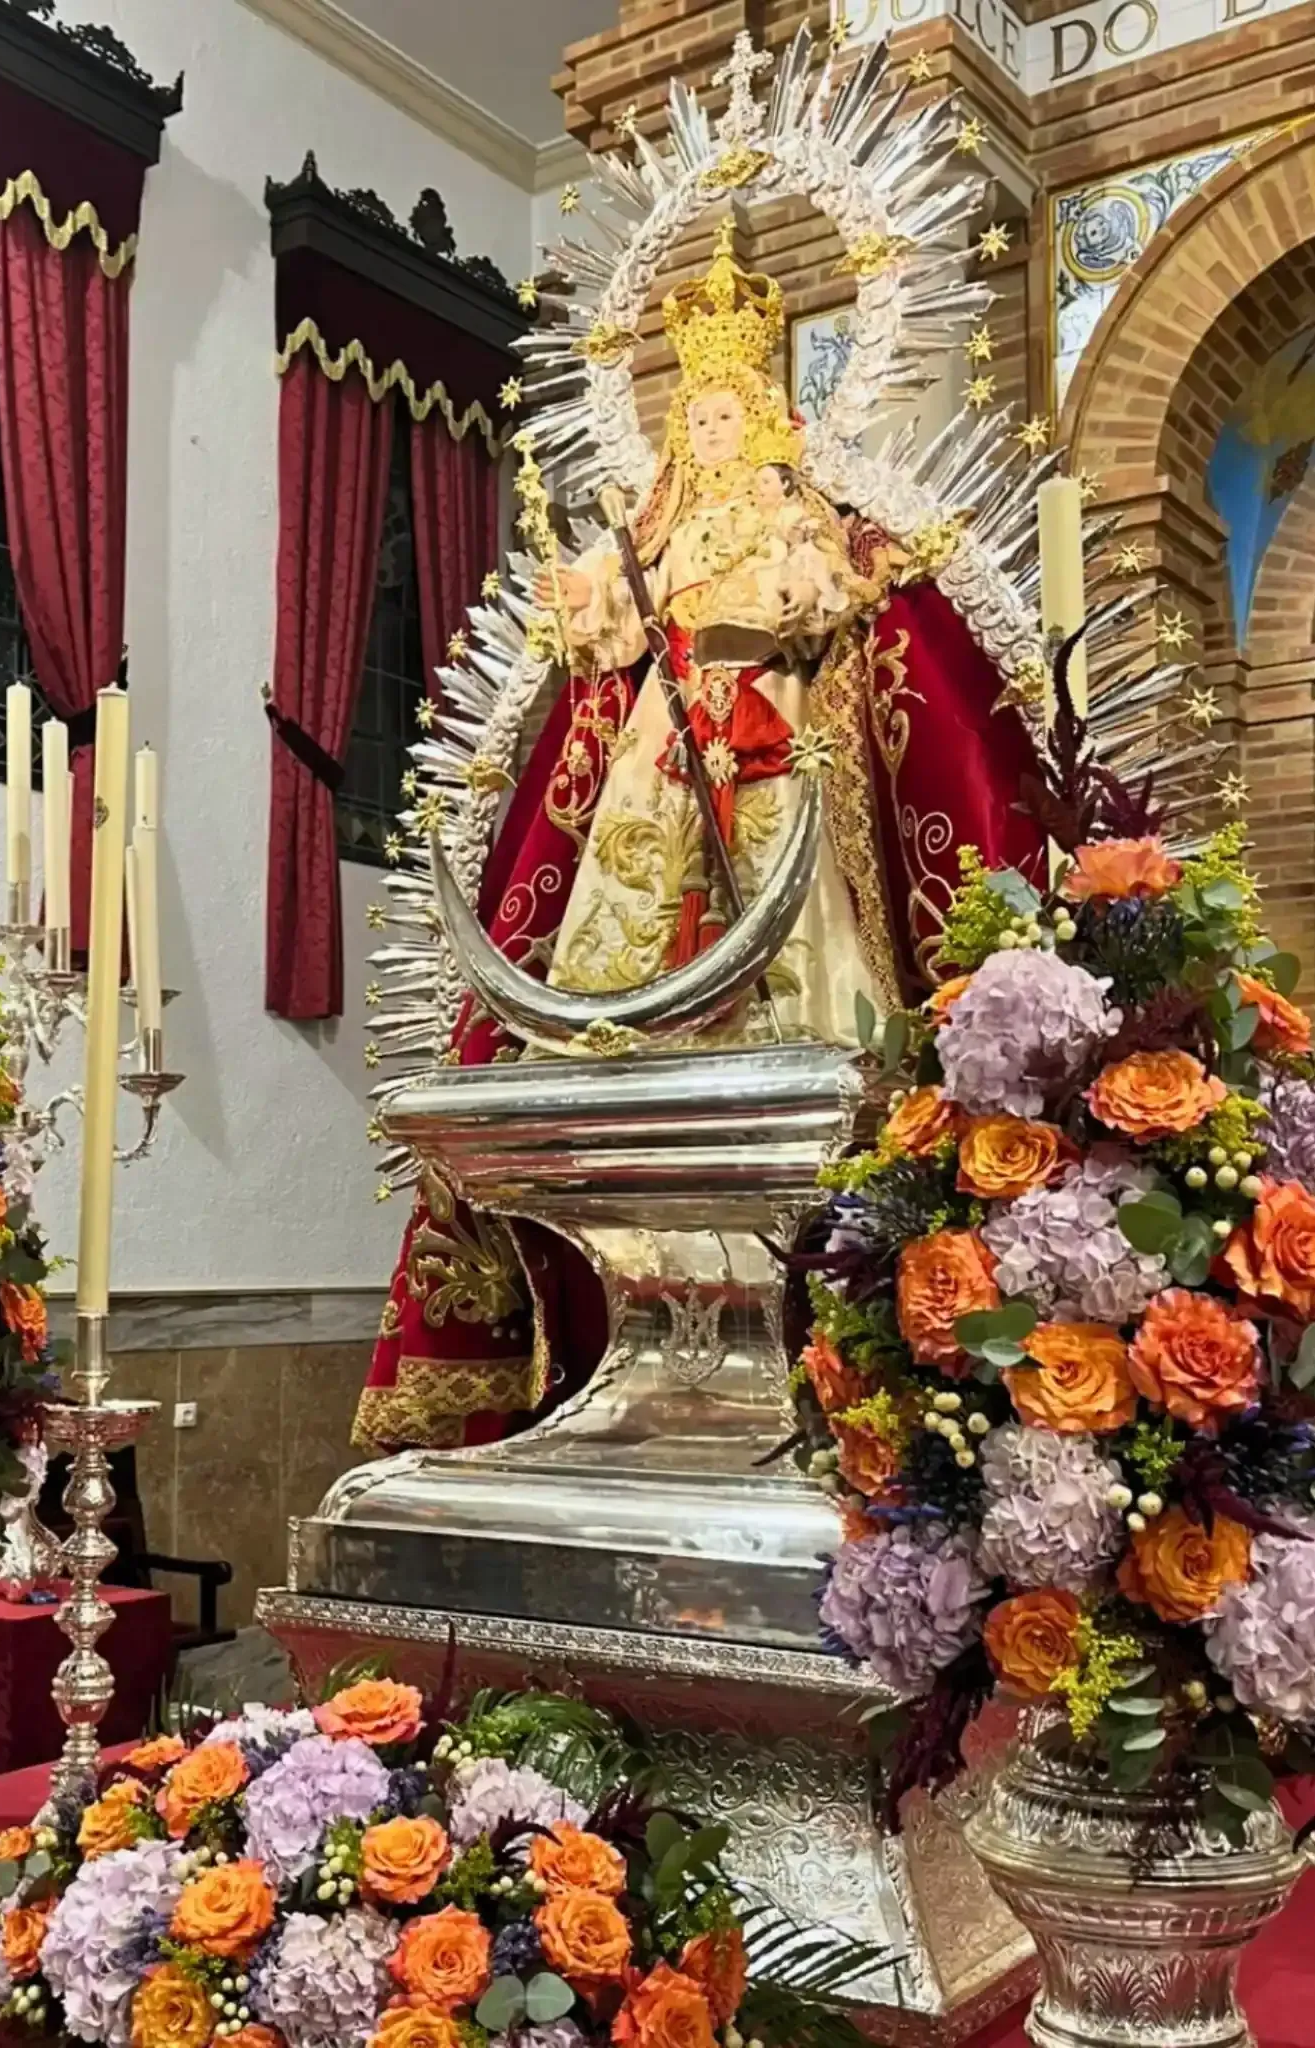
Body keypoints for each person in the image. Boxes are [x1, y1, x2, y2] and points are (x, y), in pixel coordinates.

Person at [355, 222, 1047, 1454]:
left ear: (770, 419)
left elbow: (830, 594)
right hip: (658, 762)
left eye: (736, 413)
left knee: (801, 946)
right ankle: (622, 1073)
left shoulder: (791, 513)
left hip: (771, 748)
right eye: (702, 416)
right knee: (620, 917)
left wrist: (783, 595)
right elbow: (606, 637)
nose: (717, 433)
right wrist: (590, 590)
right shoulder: (654, 526)